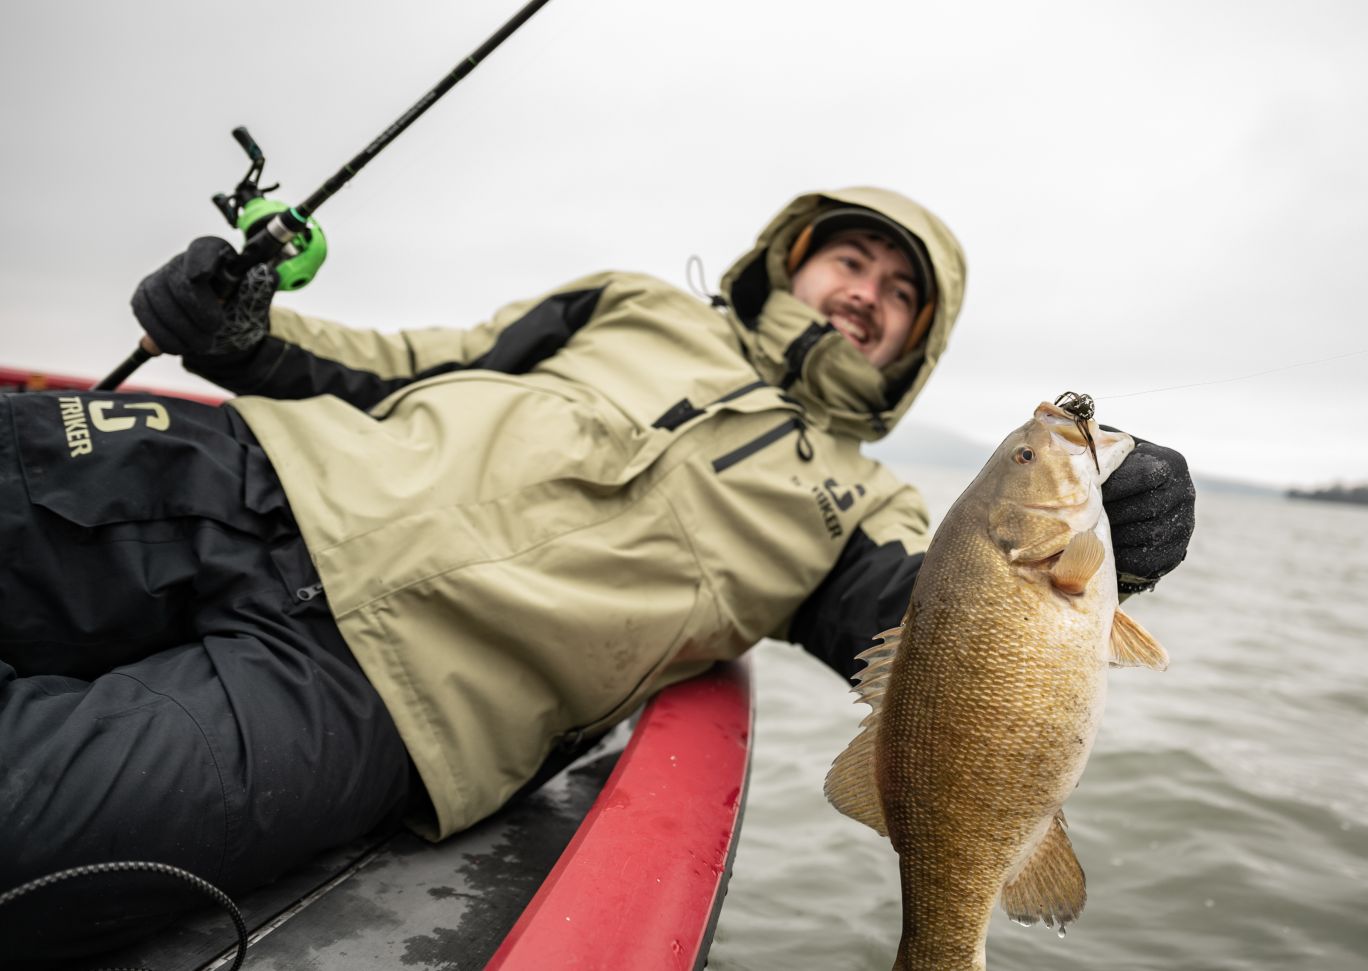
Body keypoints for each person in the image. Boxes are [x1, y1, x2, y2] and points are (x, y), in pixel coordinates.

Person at [0, 187, 1195, 958]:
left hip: (376, 703)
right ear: (793, 258)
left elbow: (948, 634)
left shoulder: (868, 508)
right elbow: (410, 361)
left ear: (912, 350)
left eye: (897, 298)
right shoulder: (627, 302)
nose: (863, 297)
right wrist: (243, 332)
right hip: (241, 472)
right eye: (851, 263)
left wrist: (1118, 541)